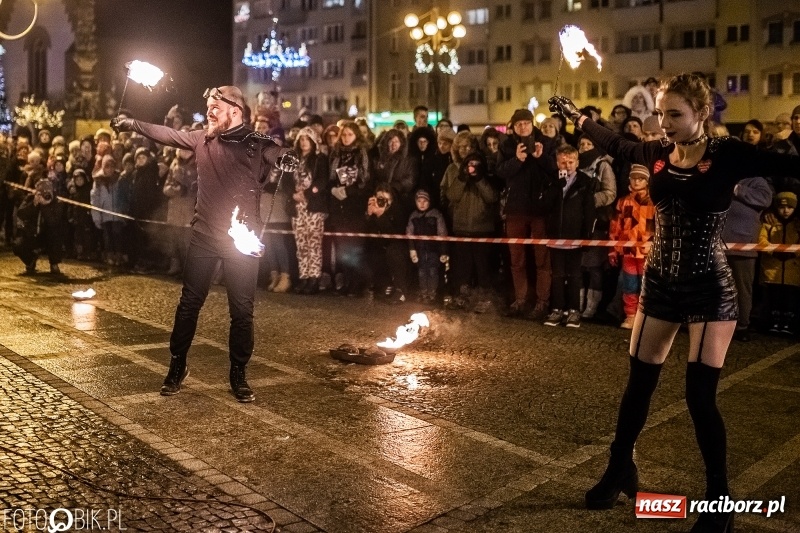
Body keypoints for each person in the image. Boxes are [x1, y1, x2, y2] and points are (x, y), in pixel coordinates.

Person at [549, 72, 800, 532]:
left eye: (675, 115)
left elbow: (787, 164)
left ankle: (719, 496)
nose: (664, 123)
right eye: (661, 114)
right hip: (660, 282)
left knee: (698, 396)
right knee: (638, 385)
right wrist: (576, 118)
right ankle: (620, 468)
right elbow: (617, 143)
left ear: (703, 113)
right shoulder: (658, 152)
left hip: (710, 286)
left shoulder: (728, 155)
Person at [111, 85, 297, 403]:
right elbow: (167, 134)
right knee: (188, 305)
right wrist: (132, 124)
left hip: (241, 241)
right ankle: (177, 365)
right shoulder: (202, 138)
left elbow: (275, 153)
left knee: (242, 312)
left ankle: (238, 373)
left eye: (215, 106)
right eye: (208, 105)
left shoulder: (256, 142)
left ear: (235, 110)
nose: (208, 111)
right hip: (205, 236)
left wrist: (286, 159)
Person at [495, 108, 554, 319]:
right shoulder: (507, 145)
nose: (523, 127)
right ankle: (520, 299)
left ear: (532, 124)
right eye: (519, 124)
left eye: (526, 123)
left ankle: (542, 301)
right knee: (517, 259)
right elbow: (500, 171)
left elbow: (555, 171)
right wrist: (517, 160)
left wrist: (541, 157)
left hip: (539, 209)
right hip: (515, 209)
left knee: (542, 259)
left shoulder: (544, 142)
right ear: (514, 126)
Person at [541, 144, 596, 328]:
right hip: (556, 236)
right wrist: (557, 186)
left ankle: (573, 311)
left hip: (575, 237)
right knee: (557, 275)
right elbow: (545, 206)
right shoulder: (552, 180)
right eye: (563, 162)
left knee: (574, 275)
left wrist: (587, 235)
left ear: (577, 162)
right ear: (557, 163)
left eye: (571, 162)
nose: (567, 165)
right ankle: (557, 309)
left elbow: (589, 211)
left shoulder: (585, 182)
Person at [607, 164, 655, 329]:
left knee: (646, 286)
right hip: (628, 253)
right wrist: (613, 250)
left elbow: (661, 228)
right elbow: (615, 226)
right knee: (629, 286)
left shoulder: (654, 202)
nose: (636, 182)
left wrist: (655, 246)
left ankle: (645, 318)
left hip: (648, 253)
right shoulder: (623, 202)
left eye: (640, 178)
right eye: (634, 178)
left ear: (647, 181)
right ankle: (631, 316)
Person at [758, 191, 800, 335]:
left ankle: (788, 324)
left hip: (793, 271)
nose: (786, 210)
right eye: (782, 207)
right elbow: (761, 240)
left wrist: (794, 253)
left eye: (790, 207)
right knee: (773, 299)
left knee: (790, 301)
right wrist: (773, 251)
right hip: (771, 270)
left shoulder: (797, 225)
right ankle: (772, 323)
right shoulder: (769, 223)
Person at [406, 189, 448, 303]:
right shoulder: (413, 217)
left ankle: (432, 294)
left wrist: (443, 251)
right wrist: (412, 250)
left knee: (433, 272)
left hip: (433, 251)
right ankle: (424, 293)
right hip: (420, 251)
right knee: (421, 272)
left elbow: (442, 233)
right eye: (419, 201)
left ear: (429, 202)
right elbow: (409, 234)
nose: (422, 203)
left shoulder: (436, 215)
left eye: (425, 201)